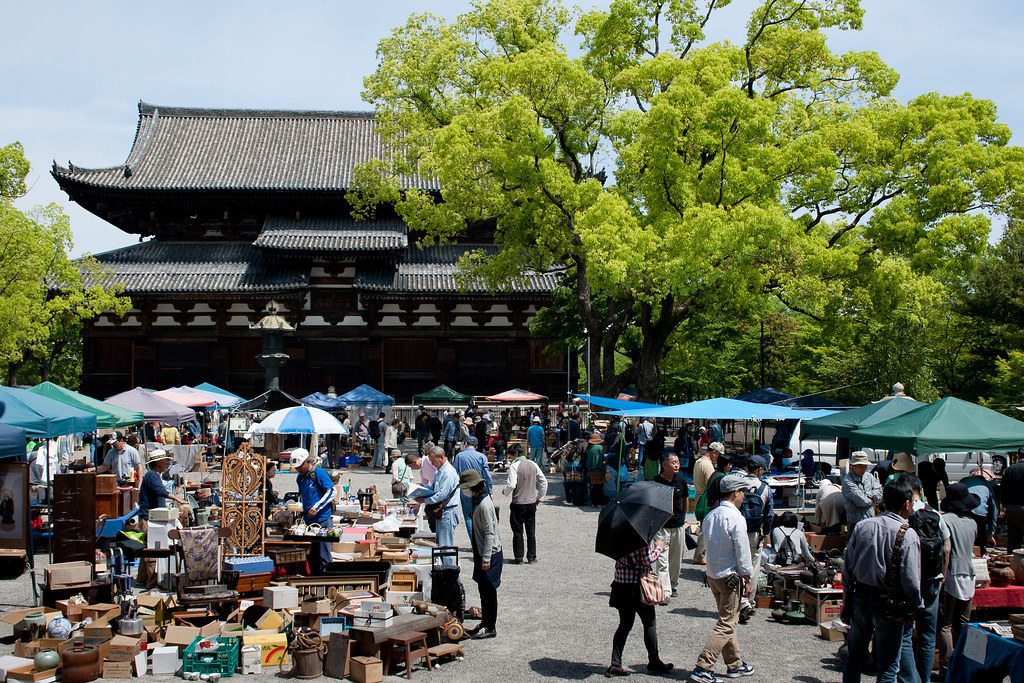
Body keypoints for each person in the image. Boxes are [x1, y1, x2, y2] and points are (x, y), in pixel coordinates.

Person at [841, 477, 923, 683]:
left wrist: (846, 601)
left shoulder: (863, 526)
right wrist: (914, 606)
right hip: (889, 602)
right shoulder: (908, 534)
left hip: (860, 596)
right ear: (906, 504)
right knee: (887, 667)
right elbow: (912, 580)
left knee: (854, 657)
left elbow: (848, 568)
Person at [690, 474, 756, 683]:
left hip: (714, 574)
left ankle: (735, 663)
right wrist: (747, 578)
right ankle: (703, 665)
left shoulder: (711, 516)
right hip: (730, 576)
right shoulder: (736, 517)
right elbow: (743, 552)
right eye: (742, 492)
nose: (744, 496)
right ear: (735, 492)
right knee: (726, 623)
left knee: (727, 620)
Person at [606, 538, 674, 678]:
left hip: (621, 584)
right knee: (649, 623)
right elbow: (647, 559)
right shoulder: (639, 538)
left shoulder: (618, 535)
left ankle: (615, 663)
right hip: (638, 586)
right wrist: (659, 548)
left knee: (625, 624)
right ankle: (654, 661)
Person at [905, 473, 949, 683]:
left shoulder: (905, 514)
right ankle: (924, 678)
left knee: (905, 630)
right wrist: (942, 575)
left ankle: (907, 676)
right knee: (927, 635)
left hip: (910, 578)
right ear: (921, 492)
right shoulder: (936, 515)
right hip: (933, 578)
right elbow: (947, 547)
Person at [936, 483, 979, 674]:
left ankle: (947, 664)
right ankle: (964, 663)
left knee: (945, 623)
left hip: (951, 574)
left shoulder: (944, 520)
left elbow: (944, 550)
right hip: (969, 574)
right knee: (963, 622)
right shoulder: (972, 522)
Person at [459, 469, 503, 639]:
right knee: (482, 589)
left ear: (473, 486)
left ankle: (491, 626)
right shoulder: (478, 501)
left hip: (489, 553)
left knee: (489, 590)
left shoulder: (484, 505)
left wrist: (486, 558)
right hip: (481, 550)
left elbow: (490, 533)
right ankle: (485, 621)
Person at [137, 450, 186, 588]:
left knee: (146, 548)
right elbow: (160, 491)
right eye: (165, 461)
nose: (167, 463)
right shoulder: (152, 476)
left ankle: (142, 578)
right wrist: (177, 498)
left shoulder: (154, 475)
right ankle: (152, 583)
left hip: (150, 517)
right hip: (149, 519)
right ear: (158, 462)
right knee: (153, 551)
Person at [737, 454, 772, 623]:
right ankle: (749, 601)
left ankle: (737, 600)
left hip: (738, 531)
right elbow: (769, 514)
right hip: (755, 533)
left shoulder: (738, 484)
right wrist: (765, 533)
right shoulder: (764, 488)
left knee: (738, 565)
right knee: (753, 566)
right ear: (759, 470)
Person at [502, 442, 547, 564]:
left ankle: (519, 557)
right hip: (531, 502)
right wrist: (539, 498)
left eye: (511, 456)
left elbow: (511, 485)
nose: (510, 459)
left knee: (517, 531)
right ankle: (531, 557)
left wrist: (505, 492)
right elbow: (543, 481)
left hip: (518, 503)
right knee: (531, 531)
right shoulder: (533, 464)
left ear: (515, 454)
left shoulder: (514, 466)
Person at [292, 447, 336, 574]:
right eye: (297, 467)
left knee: (323, 555)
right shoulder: (300, 478)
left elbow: (332, 491)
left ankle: (327, 581)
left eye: (300, 466)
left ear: (308, 461)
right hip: (308, 522)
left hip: (322, 520)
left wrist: (317, 506)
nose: (298, 469)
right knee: (310, 556)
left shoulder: (318, 473)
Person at [653, 451, 687, 599]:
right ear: (664, 465)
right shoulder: (655, 482)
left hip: (678, 525)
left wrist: (683, 517)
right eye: (673, 462)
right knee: (662, 559)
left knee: (676, 559)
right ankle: (664, 591)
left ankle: (673, 585)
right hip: (661, 526)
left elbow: (685, 500)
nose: (677, 465)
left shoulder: (681, 480)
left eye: (678, 462)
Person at [418, 446, 460, 561]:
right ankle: (445, 569)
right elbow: (433, 488)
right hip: (442, 512)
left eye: (433, 461)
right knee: (441, 543)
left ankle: (449, 572)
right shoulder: (439, 471)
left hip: (448, 512)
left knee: (446, 546)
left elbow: (441, 494)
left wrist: (424, 500)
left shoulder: (448, 473)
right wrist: (421, 488)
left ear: (441, 457)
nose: (432, 464)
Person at [454, 436, 493, 540]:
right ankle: (482, 539)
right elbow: (487, 475)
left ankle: (474, 542)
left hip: (465, 487)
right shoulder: (482, 456)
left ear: (466, 444)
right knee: (481, 515)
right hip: (479, 488)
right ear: (476, 446)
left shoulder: (459, 456)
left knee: (468, 517)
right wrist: (490, 491)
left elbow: (455, 473)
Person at [692, 442, 723, 565]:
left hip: (699, 494)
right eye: (719, 454)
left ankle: (700, 554)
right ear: (714, 452)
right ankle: (699, 555)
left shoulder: (699, 461)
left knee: (704, 526)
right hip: (704, 496)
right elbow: (712, 483)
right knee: (706, 527)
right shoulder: (707, 465)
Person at [959, 469, 996, 555]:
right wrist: (991, 533)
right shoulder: (987, 486)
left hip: (962, 511)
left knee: (964, 538)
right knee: (979, 540)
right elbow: (993, 511)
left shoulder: (964, 480)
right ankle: (979, 556)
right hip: (980, 513)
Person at [842, 450, 882, 528]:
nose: (863, 469)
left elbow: (880, 493)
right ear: (852, 466)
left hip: (870, 519)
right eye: (860, 466)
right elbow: (861, 501)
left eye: (865, 466)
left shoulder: (869, 476)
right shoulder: (848, 481)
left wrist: (866, 494)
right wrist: (873, 500)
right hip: (855, 522)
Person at [1001, 459, 1024, 551]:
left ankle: (1012, 562)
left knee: (1013, 539)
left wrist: (1006, 505)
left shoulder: (1009, 470)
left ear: (1018, 456)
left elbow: (1003, 490)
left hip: (1012, 508)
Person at [585, 432, 608, 506]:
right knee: (599, 487)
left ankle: (593, 502)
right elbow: (602, 458)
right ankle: (599, 502)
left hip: (591, 470)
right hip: (599, 469)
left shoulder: (588, 449)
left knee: (593, 487)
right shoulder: (599, 447)